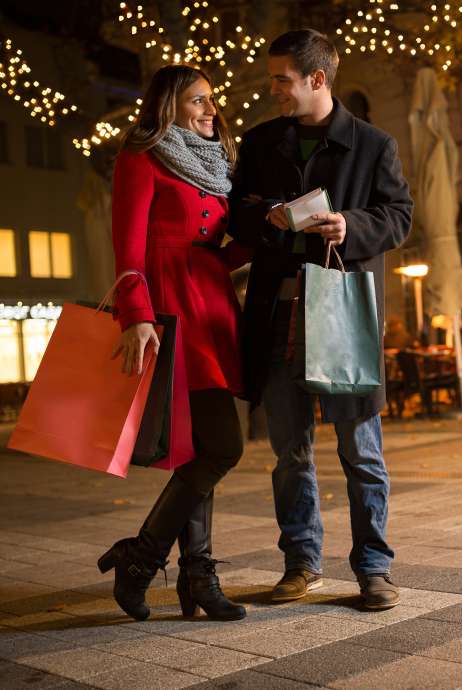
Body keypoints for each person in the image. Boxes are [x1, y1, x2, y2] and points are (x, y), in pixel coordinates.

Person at [230, 29, 413, 610]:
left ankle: (374, 569)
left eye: (281, 80)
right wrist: (270, 218)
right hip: (279, 313)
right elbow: (238, 216)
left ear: (317, 79)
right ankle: (300, 563)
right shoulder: (260, 144)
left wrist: (351, 226)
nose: (274, 90)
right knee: (291, 453)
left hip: (341, 313)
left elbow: (399, 216)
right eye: (272, 80)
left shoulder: (372, 143)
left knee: (361, 449)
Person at [98, 65, 251, 622]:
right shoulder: (142, 156)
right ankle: (142, 559)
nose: (213, 110)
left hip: (211, 309)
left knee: (199, 452)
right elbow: (128, 249)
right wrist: (135, 317)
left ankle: (195, 576)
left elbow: (212, 252)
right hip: (170, 311)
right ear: (169, 106)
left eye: (213, 100)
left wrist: (262, 240)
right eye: (199, 101)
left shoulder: (215, 168)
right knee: (221, 447)